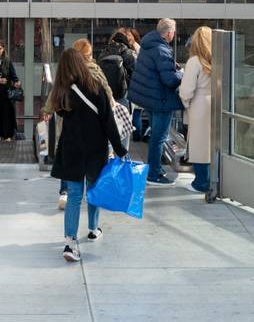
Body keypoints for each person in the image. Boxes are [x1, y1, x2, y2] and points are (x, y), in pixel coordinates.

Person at [45, 48, 128, 263]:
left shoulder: (61, 92)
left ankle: (70, 243)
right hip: (95, 148)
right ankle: (93, 229)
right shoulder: (95, 87)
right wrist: (120, 150)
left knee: (74, 195)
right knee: (93, 189)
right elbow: (108, 123)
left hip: (72, 149)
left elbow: (60, 113)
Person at [128, 18, 183, 185]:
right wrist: (181, 73)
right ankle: (153, 174)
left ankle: (156, 168)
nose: (174, 34)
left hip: (150, 99)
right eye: (173, 32)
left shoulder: (149, 45)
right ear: (168, 33)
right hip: (161, 100)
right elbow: (170, 80)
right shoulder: (162, 50)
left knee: (156, 136)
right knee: (159, 137)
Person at [179, 26, 214, 196]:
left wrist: (186, 103)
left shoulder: (195, 61)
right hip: (215, 103)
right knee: (211, 145)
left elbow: (186, 91)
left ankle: (201, 182)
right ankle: (211, 179)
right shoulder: (217, 60)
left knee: (199, 146)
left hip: (199, 105)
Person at [0, 39, 20, 142]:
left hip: (6, 92)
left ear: (3, 49)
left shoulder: (7, 61)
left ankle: (7, 135)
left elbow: (14, 76)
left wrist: (16, 82)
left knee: (6, 113)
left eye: (0, 48)